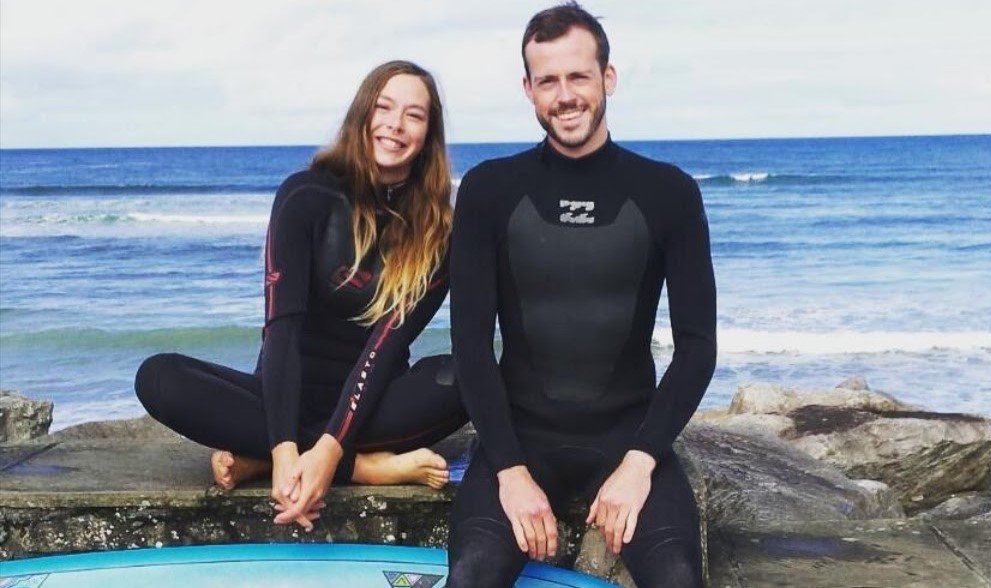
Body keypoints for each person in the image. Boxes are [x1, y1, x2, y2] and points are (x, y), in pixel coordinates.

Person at [447, 3, 716, 586]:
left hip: (628, 439)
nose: (565, 95)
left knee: (677, 577)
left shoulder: (668, 192)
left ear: (607, 79)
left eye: (578, 77)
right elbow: (469, 345)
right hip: (518, 439)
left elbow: (697, 347)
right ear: (528, 89)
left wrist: (641, 462)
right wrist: (511, 471)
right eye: (548, 80)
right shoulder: (490, 189)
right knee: (472, 574)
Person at [135, 60, 467, 531]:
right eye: (385, 107)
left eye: (414, 115)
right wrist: (286, 449)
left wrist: (329, 450)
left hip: (374, 403)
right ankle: (365, 468)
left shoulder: (436, 232)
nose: (395, 124)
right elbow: (282, 330)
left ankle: (267, 457)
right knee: (158, 377)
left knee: (470, 376)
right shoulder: (305, 195)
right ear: (363, 114)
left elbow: (383, 349)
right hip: (280, 397)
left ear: (428, 134)